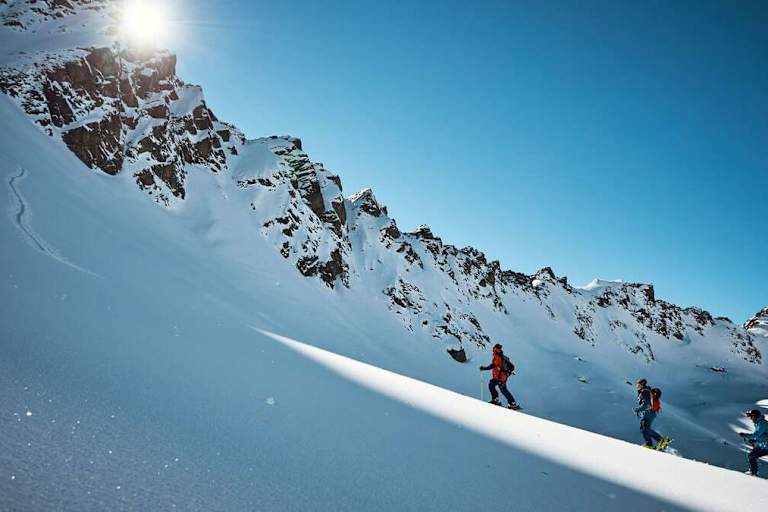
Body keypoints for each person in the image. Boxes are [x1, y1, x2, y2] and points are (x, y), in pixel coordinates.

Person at [480, 343, 519, 410]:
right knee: (492, 384)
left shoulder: (498, 356)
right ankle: (496, 399)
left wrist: (484, 368)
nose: (493, 350)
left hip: (501, 377)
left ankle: (512, 403)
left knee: (503, 389)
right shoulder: (498, 355)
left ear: (495, 349)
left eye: (494, 348)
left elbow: (493, 365)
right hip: (498, 377)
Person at [633, 378, 669, 449]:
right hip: (650, 413)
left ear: (642, 384)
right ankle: (651, 443)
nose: (637, 386)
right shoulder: (644, 391)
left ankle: (658, 441)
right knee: (645, 429)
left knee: (644, 429)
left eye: (638, 384)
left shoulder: (645, 392)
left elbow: (646, 404)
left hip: (649, 413)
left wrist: (638, 410)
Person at [739, 409, 768, 477]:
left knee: (752, 456)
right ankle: (753, 472)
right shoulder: (759, 423)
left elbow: (756, 435)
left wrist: (745, 435)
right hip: (763, 445)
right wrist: (755, 441)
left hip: (766, 446)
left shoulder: (762, 424)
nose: (751, 419)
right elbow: (763, 436)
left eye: (751, 417)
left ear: (755, 416)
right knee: (751, 456)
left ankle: (754, 473)